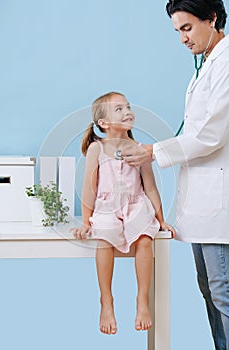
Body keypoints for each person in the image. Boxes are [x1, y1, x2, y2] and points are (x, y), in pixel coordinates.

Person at [121, 1, 229, 349]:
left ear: (211, 18)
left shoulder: (227, 62)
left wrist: (152, 151)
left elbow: (212, 135)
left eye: (187, 28)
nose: (182, 39)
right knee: (208, 288)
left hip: (220, 199)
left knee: (222, 292)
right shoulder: (206, 65)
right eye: (176, 32)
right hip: (203, 199)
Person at [70, 91, 175, 335]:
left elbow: (149, 186)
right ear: (103, 123)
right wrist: (86, 221)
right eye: (119, 109)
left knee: (145, 239)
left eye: (127, 106)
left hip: (135, 204)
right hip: (107, 206)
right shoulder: (97, 149)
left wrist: (161, 220)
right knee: (104, 240)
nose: (127, 111)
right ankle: (106, 300)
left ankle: (142, 300)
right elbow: (89, 186)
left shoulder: (141, 149)